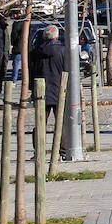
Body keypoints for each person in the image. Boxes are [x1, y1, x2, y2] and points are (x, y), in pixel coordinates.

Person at [30, 24, 70, 157]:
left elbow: (32, 73)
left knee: (40, 123)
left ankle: (38, 151)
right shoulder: (63, 51)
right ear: (57, 36)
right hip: (60, 91)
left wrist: (32, 90)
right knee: (62, 123)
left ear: (43, 37)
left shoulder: (36, 52)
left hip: (41, 92)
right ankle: (63, 150)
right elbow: (67, 70)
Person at [9, 9, 28, 83]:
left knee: (16, 65)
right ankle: (24, 79)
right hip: (23, 47)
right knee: (24, 65)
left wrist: (13, 43)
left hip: (18, 48)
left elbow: (14, 36)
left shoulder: (17, 23)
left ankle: (14, 80)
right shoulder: (24, 22)